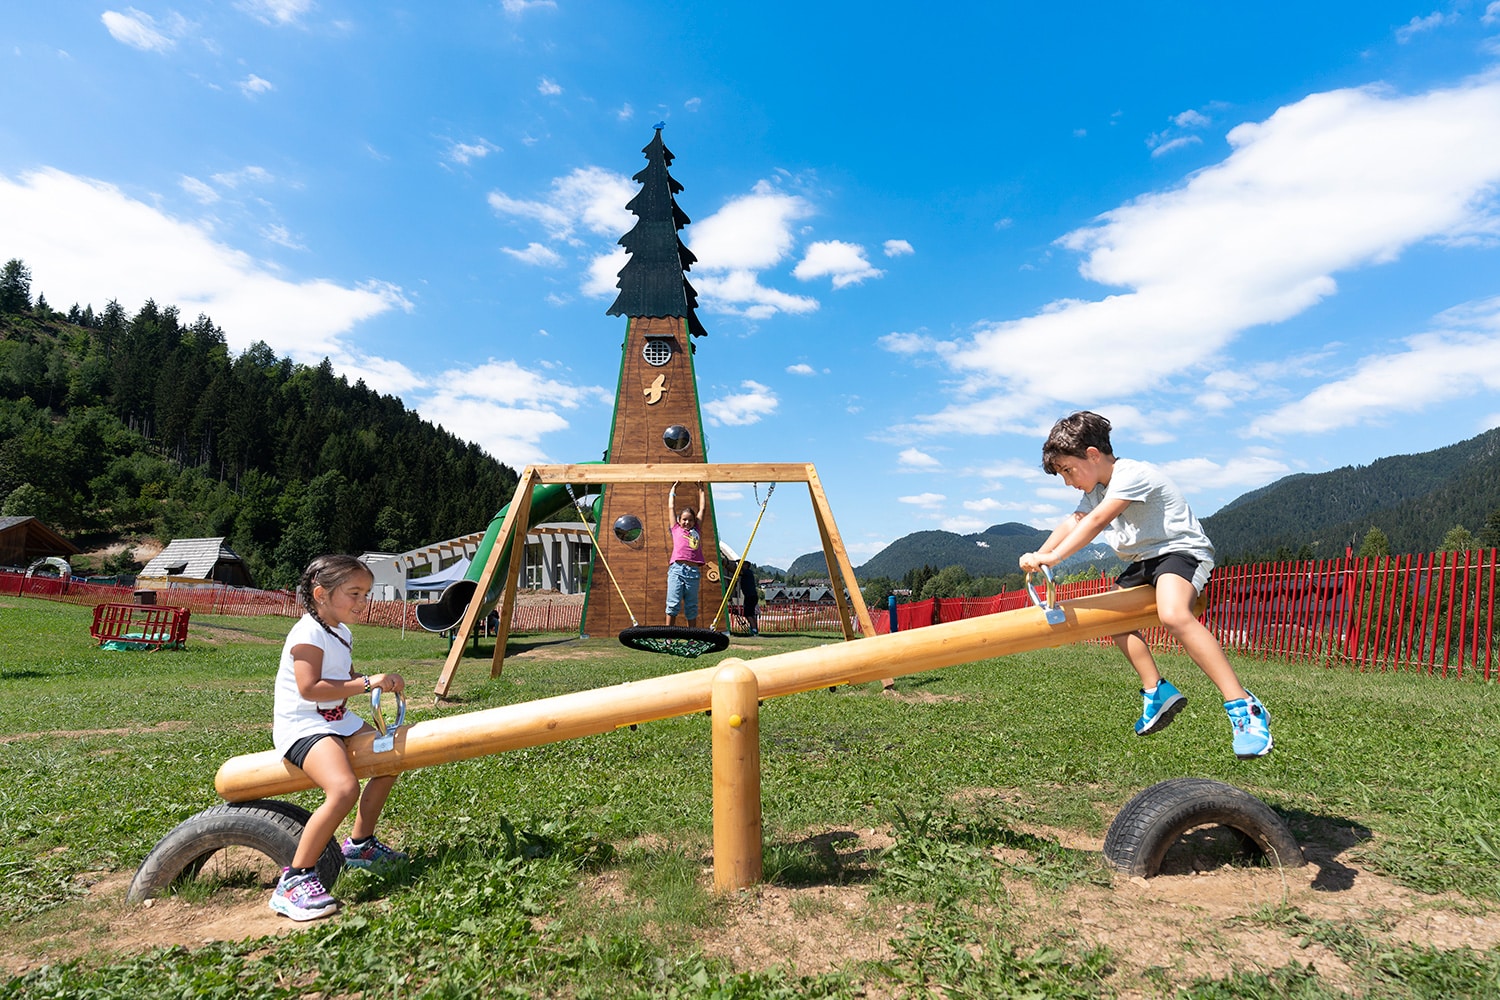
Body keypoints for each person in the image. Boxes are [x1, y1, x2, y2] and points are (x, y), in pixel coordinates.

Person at [1018, 412, 1272, 759]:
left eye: (1067, 471)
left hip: (1179, 552)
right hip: (1143, 563)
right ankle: (1157, 691)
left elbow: (1096, 521)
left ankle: (1243, 706)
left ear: (1093, 455)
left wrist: (1055, 557)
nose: (1067, 482)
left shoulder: (1132, 474)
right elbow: (1074, 520)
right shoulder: (1097, 489)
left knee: (1172, 614)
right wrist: (1039, 553)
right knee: (1112, 618)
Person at [269, 554, 408, 921]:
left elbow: (340, 678)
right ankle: (295, 880)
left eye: (366, 594)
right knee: (344, 789)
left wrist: (376, 680)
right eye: (355, 593)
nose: (363, 602)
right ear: (321, 594)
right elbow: (310, 687)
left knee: (389, 758)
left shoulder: (340, 631)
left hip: (336, 718)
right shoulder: (307, 633)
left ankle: (360, 845)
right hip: (304, 724)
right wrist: (367, 682)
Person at [666, 481, 707, 628]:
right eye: (684, 519)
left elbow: (703, 508)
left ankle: (692, 636)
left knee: (691, 606)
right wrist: (674, 489)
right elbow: (671, 507)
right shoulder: (676, 529)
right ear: (679, 520)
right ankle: (668, 635)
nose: (687, 522)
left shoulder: (697, 529)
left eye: (690, 520)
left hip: (693, 571)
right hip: (677, 569)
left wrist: (701, 490)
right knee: (673, 604)